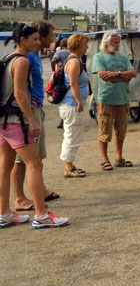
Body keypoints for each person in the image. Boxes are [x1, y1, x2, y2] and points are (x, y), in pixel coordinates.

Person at [1, 23, 69, 228]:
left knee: (5, 167)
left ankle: (4, 213)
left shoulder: (7, 59)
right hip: (16, 120)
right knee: (34, 164)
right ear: (23, 40)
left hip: (3, 120)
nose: (39, 43)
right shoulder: (21, 61)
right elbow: (20, 93)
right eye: (35, 39)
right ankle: (42, 214)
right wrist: (31, 119)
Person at [11, 20, 60, 212]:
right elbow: (20, 87)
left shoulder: (34, 56)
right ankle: (19, 197)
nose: (49, 40)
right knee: (23, 160)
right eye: (49, 36)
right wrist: (29, 113)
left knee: (33, 158)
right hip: (28, 111)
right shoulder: (26, 58)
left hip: (36, 107)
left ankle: (39, 190)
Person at [91, 31, 136, 171]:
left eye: (118, 42)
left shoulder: (123, 57)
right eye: (115, 42)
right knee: (105, 129)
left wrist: (116, 74)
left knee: (121, 129)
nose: (118, 45)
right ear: (106, 42)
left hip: (123, 98)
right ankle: (104, 158)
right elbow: (104, 76)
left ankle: (119, 156)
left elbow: (133, 73)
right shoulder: (99, 57)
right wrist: (123, 77)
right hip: (106, 99)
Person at [58, 34, 90, 178]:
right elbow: (73, 83)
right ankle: (68, 167)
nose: (87, 47)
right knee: (72, 135)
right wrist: (78, 102)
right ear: (77, 45)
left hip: (71, 103)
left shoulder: (74, 60)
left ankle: (69, 164)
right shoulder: (74, 62)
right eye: (85, 44)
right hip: (72, 104)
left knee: (73, 134)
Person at [52, 39, 70, 129]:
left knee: (61, 97)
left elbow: (53, 60)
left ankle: (62, 120)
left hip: (61, 78)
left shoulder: (59, 53)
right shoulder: (72, 52)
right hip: (70, 76)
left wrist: (54, 71)